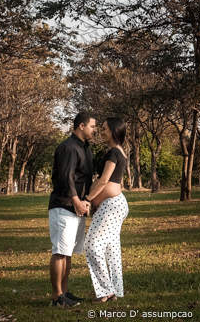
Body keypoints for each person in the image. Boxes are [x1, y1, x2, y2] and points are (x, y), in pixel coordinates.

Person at [48, 111, 96, 308]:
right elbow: (66, 178)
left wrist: (86, 202)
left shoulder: (86, 148)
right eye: (92, 126)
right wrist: (77, 201)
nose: (94, 130)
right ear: (81, 126)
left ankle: (65, 292)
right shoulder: (68, 147)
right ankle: (56, 297)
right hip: (64, 206)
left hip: (78, 207)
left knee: (67, 252)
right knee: (60, 251)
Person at [84, 116, 129, 302]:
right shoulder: (119, 151)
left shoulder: (114, 152)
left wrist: (88, 199)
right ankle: (115, 290)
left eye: (104, 129)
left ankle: (106, 291)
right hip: (114, 204)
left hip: (111, 206)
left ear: (114, 130)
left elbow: (104, 181)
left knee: (91, 245)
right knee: (111, 249)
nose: (101, 132)